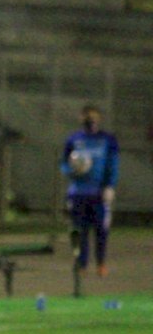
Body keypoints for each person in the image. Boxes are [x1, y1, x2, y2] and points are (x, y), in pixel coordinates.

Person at [60, 104, 119, 277]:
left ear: (99, 118)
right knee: (78, 230)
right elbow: (64, 164)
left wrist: (110, 186)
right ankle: (81, 263)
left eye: (93, 116)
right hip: (77, 192)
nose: (90, 120)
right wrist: (73, 170)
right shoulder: (73, 139)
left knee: (101, 230)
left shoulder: (108, 139)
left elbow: (113, 165)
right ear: (81, 118)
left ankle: (101, 263)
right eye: (87, 116)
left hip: (99, 193)